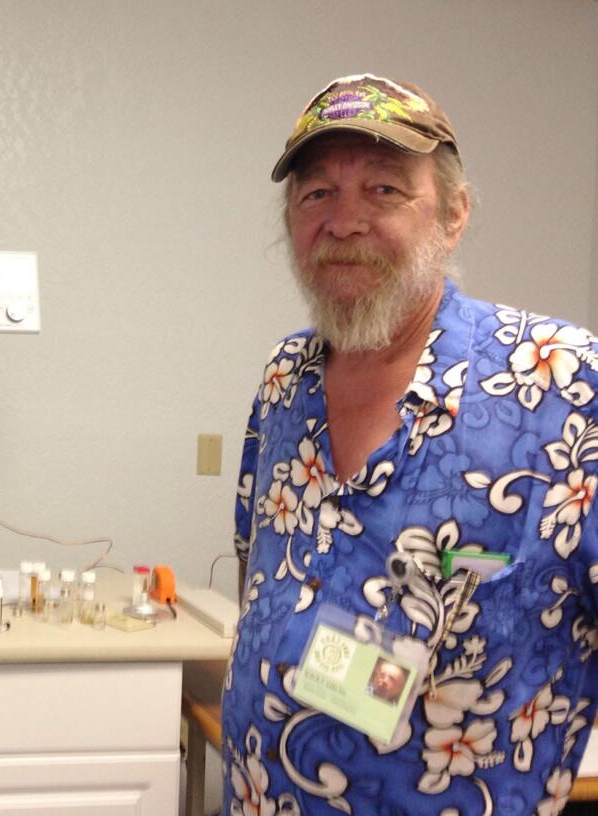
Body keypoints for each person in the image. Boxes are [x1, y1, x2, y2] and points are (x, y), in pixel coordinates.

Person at [224, 74, 598, 815]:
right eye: (316, 193)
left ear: (454, 214)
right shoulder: (283, 381)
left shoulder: (564, 383)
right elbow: (259, 578)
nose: (344, 221)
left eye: (386, 191)